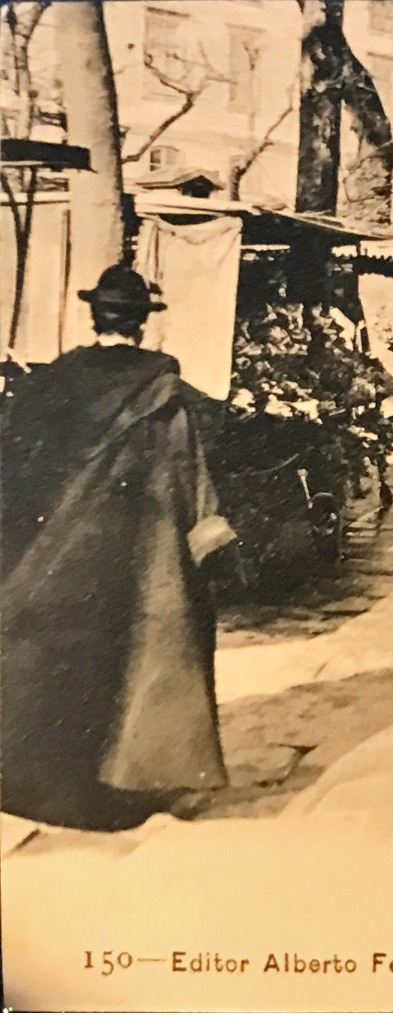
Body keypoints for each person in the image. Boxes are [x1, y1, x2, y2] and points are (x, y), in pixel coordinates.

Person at [1, 265, 235, 831]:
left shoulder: (52, 383)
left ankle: (42, 782)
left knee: (50, 653)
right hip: (141, 543)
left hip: (56, 542)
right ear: (141, 324)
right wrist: (206, 536)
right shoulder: (165, 392)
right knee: (143, 655)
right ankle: (130, 780)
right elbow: (186, 470)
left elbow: (16, 462)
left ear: (94, 316)